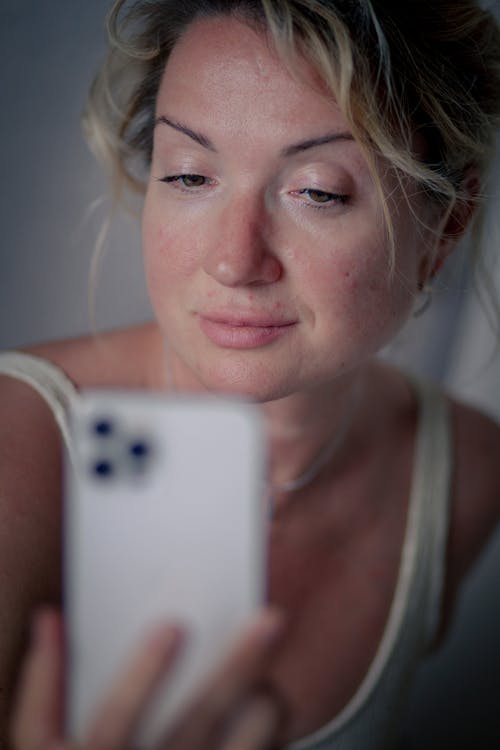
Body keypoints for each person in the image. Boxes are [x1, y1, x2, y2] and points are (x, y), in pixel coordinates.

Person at [2, 0, 500, 747]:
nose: (234, 260)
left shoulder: (467, 472)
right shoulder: (20, 449)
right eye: (191, 175)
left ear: (447, 225)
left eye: (318, 192)